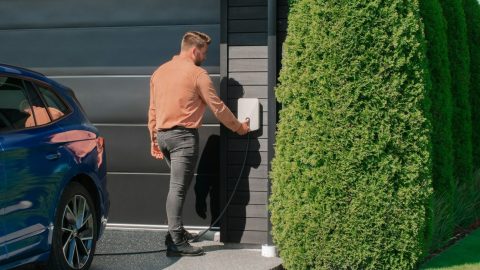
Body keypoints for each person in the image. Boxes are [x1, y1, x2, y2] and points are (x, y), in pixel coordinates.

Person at [148, 31, 250, 256]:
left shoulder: (159, 72)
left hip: (163, 136)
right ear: (194, 50)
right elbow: (218, 107)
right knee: (177, 188)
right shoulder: (197, 74)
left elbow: (153, 109)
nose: (205, 57)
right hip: (183, 138)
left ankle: (174, 233)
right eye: (204, 53)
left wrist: (154, 138)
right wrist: (239, 127)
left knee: (176, 186)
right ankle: (175, 241)